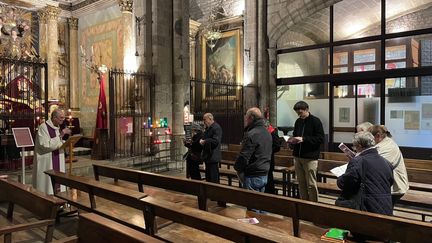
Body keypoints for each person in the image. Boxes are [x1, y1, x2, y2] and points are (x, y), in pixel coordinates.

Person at [337, 131, 393, 215]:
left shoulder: (358, 161)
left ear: (359, 146)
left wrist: (340, 178)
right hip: (386, 207)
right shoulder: (386, 162)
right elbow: (390, 182)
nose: (354, 149)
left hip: (366, 207)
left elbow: (345, 183)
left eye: (354, 147)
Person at [288, 101, 324, 202]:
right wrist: (292, 141)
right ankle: (303, 203)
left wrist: (304, 139)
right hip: (297, 156)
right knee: (301, 183)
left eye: (301, 112)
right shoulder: (298, 122)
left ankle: (313, 205)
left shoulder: (315, 121)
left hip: (310, 157)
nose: (299, 115)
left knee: (311, 184)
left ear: (307, 110)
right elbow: (295, 135)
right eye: (297, 113)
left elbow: (320, 139)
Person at [32, 109, 71, 194]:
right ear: (54, 117)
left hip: (57, 158)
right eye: (61, 118)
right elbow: (45, 145)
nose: (63, 119)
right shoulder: (43, 127)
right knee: (48, 187)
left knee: (59, 183)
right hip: (47, 161)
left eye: (63, 117)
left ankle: (60, 199)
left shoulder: (57, 127)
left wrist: (66, 143)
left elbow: (57, 142)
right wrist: (61, 135)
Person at [234, 107, 272, 193]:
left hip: (253, 174)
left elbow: (244, 156)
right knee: (259, 202)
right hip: (264, 172)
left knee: (252, 204)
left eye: (246, 118)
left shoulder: (252, 134)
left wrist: (237, 168)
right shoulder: (267, 133)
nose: (245, 120)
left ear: (251, 118)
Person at [369, 125, 409, 207]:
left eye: (370, 138)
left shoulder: (386, 146)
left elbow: (375, 164)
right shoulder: (386, 143)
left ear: (378, 136)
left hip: (395, 186)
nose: (369, 141)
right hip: (389, 185)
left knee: (383, 210)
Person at [200, 113, 222, 184]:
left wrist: (205, 141)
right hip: (208, 156)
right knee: (208, 178)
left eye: (205, 120)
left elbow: (216, 141)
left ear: (210, 119)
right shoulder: (208, 128)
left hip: (213, 156)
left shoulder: (216, 128)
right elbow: (205, 137)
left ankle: (215, 193)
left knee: (213, 179)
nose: (204, 122)